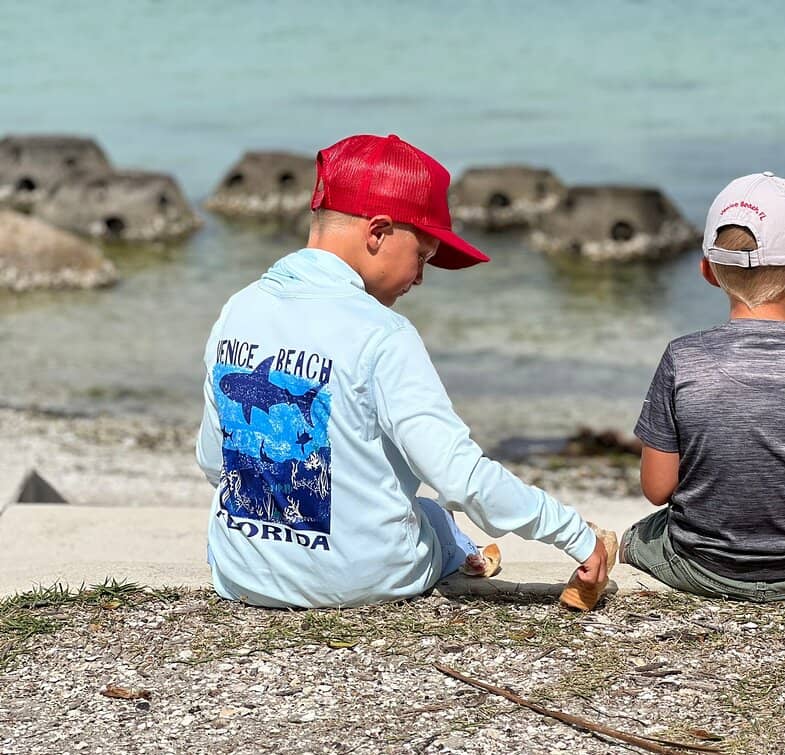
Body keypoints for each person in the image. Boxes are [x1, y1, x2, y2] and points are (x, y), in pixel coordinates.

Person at [195, 133, 608, 608]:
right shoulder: (384, 333)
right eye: (423, 256)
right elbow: (460, 477)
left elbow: (213, 459)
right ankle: (461, 549)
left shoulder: (239, 308)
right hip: (364, 580)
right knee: (431, 513)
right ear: (377, 232)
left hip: (243, 576)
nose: (421, 277)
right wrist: (575, 533)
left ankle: (453, 544)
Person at [620, 172, 785, 602]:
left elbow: (656, 490)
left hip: (701, 567)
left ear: (708, 271)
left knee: (639, 535)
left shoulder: (682, 358)